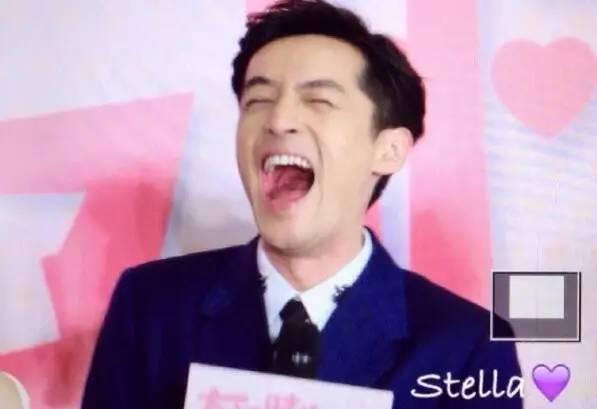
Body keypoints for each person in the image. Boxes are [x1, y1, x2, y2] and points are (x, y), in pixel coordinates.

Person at [82, 1, 522, 408]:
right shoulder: (150, 306)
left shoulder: (468, 345)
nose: (278, 120)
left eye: (318, 101)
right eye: (258, 101)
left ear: (388, 150)